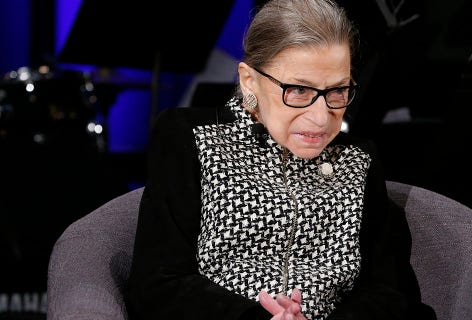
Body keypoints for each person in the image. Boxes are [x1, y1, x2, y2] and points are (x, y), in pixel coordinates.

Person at [125, 0, 436, 319]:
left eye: (338, 91)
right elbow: (158, 286)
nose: (320, 118)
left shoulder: (357, 157)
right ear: (249, 81)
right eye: (299, 91)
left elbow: (390, 293)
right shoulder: (188, 138)